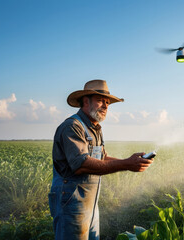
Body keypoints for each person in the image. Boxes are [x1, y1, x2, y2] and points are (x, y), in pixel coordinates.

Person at [48, 79, 154, 240]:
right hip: (71, 202)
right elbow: (81, 164)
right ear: (85, 101)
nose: (105, 106)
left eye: (107, 103)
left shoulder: (95, 128)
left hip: (90, 203)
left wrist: (130, 161)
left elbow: (102, 158)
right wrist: (127, 164)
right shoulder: (72, 126)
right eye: (100, 101)